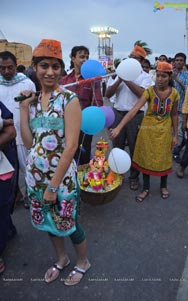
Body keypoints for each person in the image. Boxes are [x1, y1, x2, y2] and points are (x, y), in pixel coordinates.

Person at [19, 39, 90, 285]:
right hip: (35, 179)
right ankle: (62, 259)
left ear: (61, 69)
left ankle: (82, 261)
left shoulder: (69, 100)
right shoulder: (35, 102)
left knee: (70, 224)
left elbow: (71, 146)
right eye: (44, 66)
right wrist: (23, 110)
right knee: (49, 223)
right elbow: (29, 144)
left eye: (55, 66)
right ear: (35, 68)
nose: (50, 72)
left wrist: (52, 187)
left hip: (61, 182)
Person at [110, 62, 179, 201]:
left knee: (164, 158)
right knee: (146, 158)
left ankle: (163, 186)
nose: (160, 79)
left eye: (163, 76)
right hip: (147, 131)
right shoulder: (149, 91)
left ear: (169, 77)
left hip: (164, 131)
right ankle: (146, 188)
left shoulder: (174, 93)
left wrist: (176, 135)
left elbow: (174, 115)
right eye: (158, 75)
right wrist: (119, 127)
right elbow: (134, 109)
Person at [105, 45, 154, 191]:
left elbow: (142, 94)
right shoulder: (117, 75)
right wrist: (120, 79)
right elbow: (107, 94)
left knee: (134, 147)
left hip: (136, 116)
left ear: (141, 60)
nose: (132, 59)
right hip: (118, 114)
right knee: (117, 146)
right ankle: (116, 174)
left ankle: (134, 178)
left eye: (136, 57)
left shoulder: (145, 77)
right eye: (131, 56)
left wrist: (127, 80)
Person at [0, 51, 36, 208]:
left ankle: (32, 195)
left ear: (16, 66)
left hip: (23, 134)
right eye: (2, 68)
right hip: (4, 137)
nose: (6, 71)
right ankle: (16, 195)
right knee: (8, 171)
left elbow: (34, 109)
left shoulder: (27, 83)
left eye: (10, 67)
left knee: (28, 168)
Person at [60, 46, 103, 165]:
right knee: (67, 152)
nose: (85, 59)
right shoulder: (65, 80)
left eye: (87, 57)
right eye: (81, 56)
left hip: (85, 124)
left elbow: (98, 102)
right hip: (66, 123)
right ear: (73, 58)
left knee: (83, 153)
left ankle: (83, 179)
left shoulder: (93, 79)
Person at [0, 101, 18, 275]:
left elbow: (11, 130)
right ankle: (8, 229)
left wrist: (5, 123)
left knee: (2, 204)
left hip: (3, 165)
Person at [172, 52, 188, 163]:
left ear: (184, 62)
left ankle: (175, 152)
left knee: (178, 132)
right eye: (177, 60)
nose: (179, 62)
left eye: (181, 60)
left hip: (180, 108)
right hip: (168, 108)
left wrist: (177, 80)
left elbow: (187, 90)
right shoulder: (169, 72)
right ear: (174, 61)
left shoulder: (187, 75)